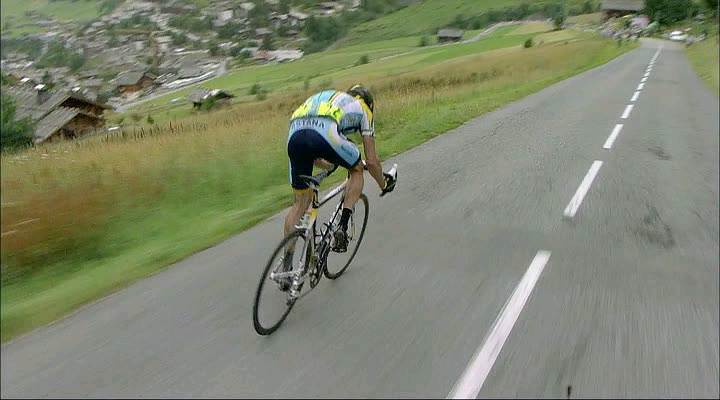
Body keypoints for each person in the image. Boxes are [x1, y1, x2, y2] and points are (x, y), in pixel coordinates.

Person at [279, 84, 396, 284]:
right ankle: (342, 225)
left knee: (299, 204)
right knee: (357, 169)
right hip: (325, 132)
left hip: (295, 133)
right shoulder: (363, 109)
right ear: (368, 103)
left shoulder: (332, 99)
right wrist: (383, 183)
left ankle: (286, 269)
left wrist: (330, 163)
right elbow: (372, 161)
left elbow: (315, 151)